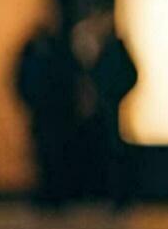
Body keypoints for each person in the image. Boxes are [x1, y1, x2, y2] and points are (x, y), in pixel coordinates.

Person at [16, 14, 81, 207]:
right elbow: (21, 80)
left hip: (56, 113)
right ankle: (46, 192)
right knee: (42, 154)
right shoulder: (33, 52)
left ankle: (55, 194)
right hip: (42, 112)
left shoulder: (57, 52)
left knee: (55, 154)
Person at [88, 12, 138, 210]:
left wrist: (115, 94)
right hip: (108, 106)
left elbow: (128, 74)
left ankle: (119, 195)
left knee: (116, 151)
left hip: (114, 107)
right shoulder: (107, 49)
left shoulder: (114, 49)